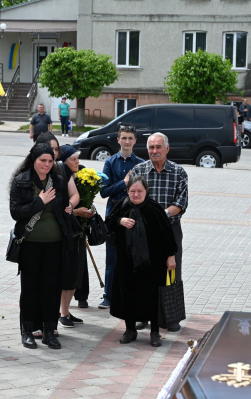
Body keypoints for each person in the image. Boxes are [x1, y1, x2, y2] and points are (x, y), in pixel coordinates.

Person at [10, 143, 73, 350]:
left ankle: (49, 331)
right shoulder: (21, 181)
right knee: (30, 288)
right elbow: (16, 212)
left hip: (55, 244)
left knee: (51, 288)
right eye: (42, 160)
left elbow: (63, 206)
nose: (46, 164)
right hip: (30, 244)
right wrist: (40, 201)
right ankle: (27, 331)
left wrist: (68, 209)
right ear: (33, 160)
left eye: (50, 161)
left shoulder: (58, 181)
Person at [106, 175, 178, 347]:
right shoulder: (121, 206)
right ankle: (130, 330)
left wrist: (171, 256)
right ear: (127, 191)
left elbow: (167, 234)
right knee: (128, 295)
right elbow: (107, 223)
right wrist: (120, 221)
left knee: (153, 296)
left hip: (153, 263)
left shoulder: (155, 208)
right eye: (133, 191)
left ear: (146, 191)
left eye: (140, 191)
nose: (136, 194)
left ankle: (155, 333)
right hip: (126, 261)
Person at [130, 132, 188, 332]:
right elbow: (132, 199)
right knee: (143, 273)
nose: (154, 151)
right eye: (151, 148)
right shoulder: (138, 170)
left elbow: (181, 203)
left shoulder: (179, 172)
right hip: (143, 231)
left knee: (171, 272)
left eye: (158, 147)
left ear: (167, 149)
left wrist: (160, 216)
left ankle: (171, 317)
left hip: (170, 230)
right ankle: (142, 315)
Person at [98, 124, 144, 309]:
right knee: (112, 259)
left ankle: (131, 294)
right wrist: (124, 183)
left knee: (134, 257)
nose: (126, 141)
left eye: (130, 138)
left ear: (135, 141)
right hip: (114, 216)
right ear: (118, 140)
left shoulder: (140, 163)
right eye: (123, 138)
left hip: (135, 216)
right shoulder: (110, 163)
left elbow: (144, 191)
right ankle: (108, 296)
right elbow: (104, 192)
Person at [57, 145, 91, 328]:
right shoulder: (60, 177)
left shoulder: (81, 175)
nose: (78, 163)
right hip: (66, 232)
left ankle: (67, 310)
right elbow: (63, 208)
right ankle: (62, 313)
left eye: (78, 159)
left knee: (76, 272)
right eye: (73, 159)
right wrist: (76, 212)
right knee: (68, 273)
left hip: (78, 231)